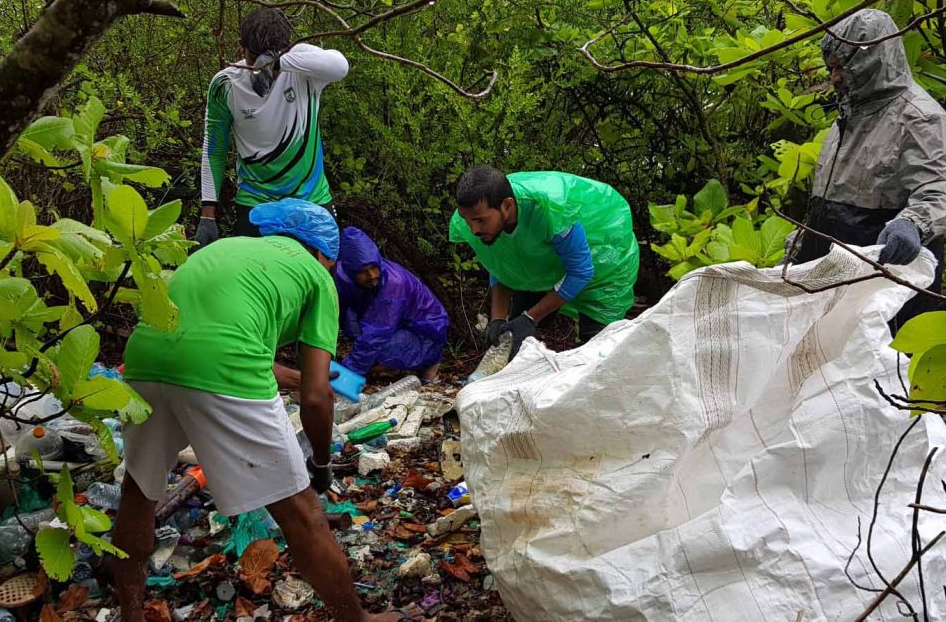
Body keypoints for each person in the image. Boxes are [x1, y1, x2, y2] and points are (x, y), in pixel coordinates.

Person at [110, 199, 401, 622]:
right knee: (302, 515)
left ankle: (131, 614)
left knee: (137, 493)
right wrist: (321, 463)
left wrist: (295, 378)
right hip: (223, 366)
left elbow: (210, 335)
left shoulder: (227, 249)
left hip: (143, 357)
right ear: (324, 254)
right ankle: (357, 620)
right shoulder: (316, 278)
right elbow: (317, 398)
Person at [792, 8, 946, 327]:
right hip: (838, 277)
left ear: (869, 61)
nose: (834, 77)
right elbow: (828, 202)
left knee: (884, 355)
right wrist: (802, 245)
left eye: (841, 67)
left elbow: (936, 190)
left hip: (887, 279)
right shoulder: (848, 118)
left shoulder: (920, 117)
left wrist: (912, 224)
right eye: (831, 68)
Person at [196, 7, 349, 244]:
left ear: (287, 49)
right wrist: (208, 213)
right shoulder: (225, 84)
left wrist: (278, 62)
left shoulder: (303, 72)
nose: (262, 71)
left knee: (319, 270)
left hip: (311, 201)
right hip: (256, 204)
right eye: (254, 59)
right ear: (241, 47)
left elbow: (340, 66)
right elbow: (215, 149)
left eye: (268, 61)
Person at [450, 167, 640, 357]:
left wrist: (530, 318)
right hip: (541, 264)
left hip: (603, 260)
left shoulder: (551, 210)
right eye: (468, 221)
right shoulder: (474, 218)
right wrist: (497, 319)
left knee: (597, 349)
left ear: (507, 206)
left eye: (480, 221)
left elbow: (581, 271)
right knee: (512, 338)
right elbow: (500, 264)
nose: (474, 229)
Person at [334, 227, 449, 382]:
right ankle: (377, 363)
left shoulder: (393, 285)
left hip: (425, 333)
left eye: (374, 268)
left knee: (374, 342)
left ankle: (428, 362)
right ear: (350, 271)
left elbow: (376, 333)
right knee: (351, 319)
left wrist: (347, 375)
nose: (372, 275)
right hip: (395, 325)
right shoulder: (343, 276)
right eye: (363, 271)